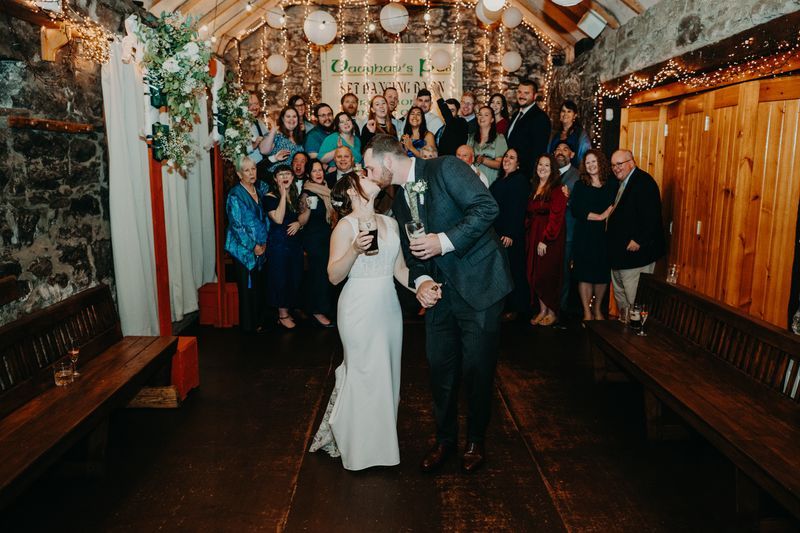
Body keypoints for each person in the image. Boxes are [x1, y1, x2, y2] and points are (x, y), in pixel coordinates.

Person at [364, 134, 513, 474]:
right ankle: (444, 439)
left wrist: (443, 242)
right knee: (439, 370)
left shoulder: (445, 167)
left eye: (370, 167)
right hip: (439, 296)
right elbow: (413, 253)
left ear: (388, 161)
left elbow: (488, 207)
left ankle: (476, 440)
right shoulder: (399, 201)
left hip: (480, 287)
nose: (369, 174)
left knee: (477, 369)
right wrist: (423, 281)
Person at [309, 171, 414, 470]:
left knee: (387, 374)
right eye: (364, 177)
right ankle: (359, 449)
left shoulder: (391, 223)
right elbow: (333, 276)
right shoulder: (345, 226)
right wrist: (354, 250)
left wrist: (422, 285)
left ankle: (382, 447)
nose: (371, 177)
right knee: (363, 373)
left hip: (388, 307)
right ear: (353, 191)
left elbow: (400, 270)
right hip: (357, 307)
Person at [606, 150, 666, 313]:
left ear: (631, 162)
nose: (616, 168)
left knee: (635, 301)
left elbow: (652, 216)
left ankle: (636, 334)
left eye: (620, 164)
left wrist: (639, 240)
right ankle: (624, 334)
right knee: (622, 300)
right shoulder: (622, 183)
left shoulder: (644, 182)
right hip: (620, 256)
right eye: (613, 165)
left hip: (636, 256)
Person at [570, 149, 617, 321]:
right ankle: (587, 312)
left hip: (604, 236)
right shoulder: (580, 185)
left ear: (600, 163)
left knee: (601, 274)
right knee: (585, 274)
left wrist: (606, 215)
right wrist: (599, 216)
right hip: (585, 235)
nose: (590, 165)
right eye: (587, 162)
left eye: (593, 161)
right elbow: (576, 209)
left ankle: (597, 309)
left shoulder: (612, 184)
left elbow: (616, 204)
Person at [224, 157, 268, 334]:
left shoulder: (259, 190)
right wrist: (253, 246)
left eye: (253, 169)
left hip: (260, 246)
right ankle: (248, 329)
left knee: (258, 287)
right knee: (246, 289)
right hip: (242, 249)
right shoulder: (235, 194)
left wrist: (263, 243)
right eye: (247, 170)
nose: (251, 173)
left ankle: (257, 323)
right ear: (239, 174)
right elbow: (236, 226)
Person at [526, 154, 567, 327]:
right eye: (540, 164)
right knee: (536, 274)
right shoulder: (534, 186)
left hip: (550, 238)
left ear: (553, 170)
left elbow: (557, 217)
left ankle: (552, 311)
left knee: (547, 274)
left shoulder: (558, 189)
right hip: (533, 235)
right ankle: (542, 310)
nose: (542, 168)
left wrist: (545, 239)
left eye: (547, 165)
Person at [490, 148, 531, 321]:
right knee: (501, 271)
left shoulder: (520, 181)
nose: (507, 159)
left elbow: (518, 210)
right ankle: (502, 305)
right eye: (506, 156)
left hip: (510, 234)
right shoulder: (499, 181)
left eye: (512, 157)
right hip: (496, 233)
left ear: (518, 163)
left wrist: (510, 233)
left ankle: (515, 307)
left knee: (513, 271)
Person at [264, 165, 307, 330]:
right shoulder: (270, 196)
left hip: (294, 244)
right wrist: (282, 195)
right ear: (275, 178)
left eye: (287, 173)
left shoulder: (295, 195)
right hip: (279, 245)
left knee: (294, 277)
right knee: (280, 278)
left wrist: (299, 223)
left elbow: (299, 217)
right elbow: (279, 219)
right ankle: (282, 315)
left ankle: (289, 308)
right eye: (280, 174)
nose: (285, 177)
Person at [299, 159, 336, 328]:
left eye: (320, 170)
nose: (318, 173)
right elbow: (302, 221)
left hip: (326, 238)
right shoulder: (307, 193)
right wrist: (307, 209)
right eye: (314, 171)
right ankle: (316, 311)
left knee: (325, 275)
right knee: (318, 275)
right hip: (314, 240)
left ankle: (323, 308)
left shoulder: (326, 190)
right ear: (308, 174)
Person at [553, 141, 580, 317]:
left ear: (572, 155)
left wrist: (568, 199)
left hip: (567, 231)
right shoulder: (548, 173)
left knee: (563, 272)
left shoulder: (577, 176)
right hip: (549, 232)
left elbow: (579, 206)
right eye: (557, 149)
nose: (560, 152)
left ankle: (559, 309)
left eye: (565, 149)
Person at [506, 80, 551, 174]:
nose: (521, 96)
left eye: (526, 93)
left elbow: (538, 152)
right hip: (509, 171)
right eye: (519, 92)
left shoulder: (540, 118)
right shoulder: (516, 115)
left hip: (524, 174)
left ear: (535, 96)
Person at [468, 106, 507, 186]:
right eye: (480, 114)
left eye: (486, 115)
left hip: (491, 181)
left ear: (492, 119)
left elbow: (501, 164)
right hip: (472, 181)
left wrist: (484, 160)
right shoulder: (471, 138)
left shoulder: (499, 138)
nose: (482, 117)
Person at [261, 106, 306, 174]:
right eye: (288, 116)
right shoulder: (276, 135)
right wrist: (273, 131)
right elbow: (264, 151)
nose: (291, 119)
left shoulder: (299, 137)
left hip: (292, 180)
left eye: (294, 116)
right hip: (274, 178)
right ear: (282, 119)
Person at [547, 100, 591, 167]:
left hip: (574, 173)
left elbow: (585, 157)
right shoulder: (555, 135)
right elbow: (549, 155)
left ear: (575, 115)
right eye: (563, 111)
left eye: (569, 111)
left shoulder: (580, 134)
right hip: (555, 172)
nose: (565, 114)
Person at [430, 85, 468, 156]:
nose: (449, 113)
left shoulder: (461, 122)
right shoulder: (442, 128)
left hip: (453, 162)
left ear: (458, 111)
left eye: (452, 110)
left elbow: (449, 118)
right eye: (448, 110)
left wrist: (438, 95)